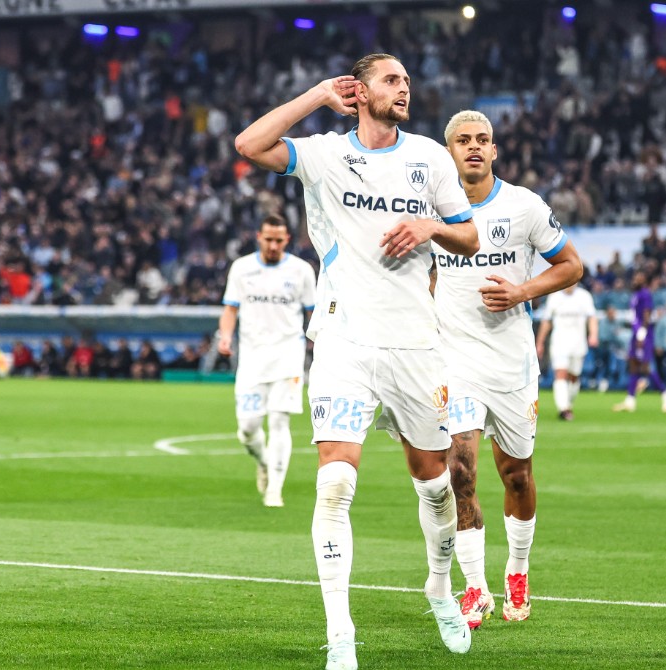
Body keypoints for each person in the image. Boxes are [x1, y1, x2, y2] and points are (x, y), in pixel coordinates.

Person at [234, 53, 480, 669]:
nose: (405, 88)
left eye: (407, 81)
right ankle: (340, 633)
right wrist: (318, 94)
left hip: (415, 343)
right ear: (360, 91)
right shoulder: (324, 154)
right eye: (392, 80)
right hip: (344, 341)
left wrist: (430, 228)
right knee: (336, 483)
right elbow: (248, 144)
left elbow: (469, 235)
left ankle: (439, 589)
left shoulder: (429, 157)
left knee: (436, 484)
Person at [432, 110, 583, 629]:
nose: (474, 147)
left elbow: (572, 265)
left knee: (516, 474)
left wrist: (521, 291)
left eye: (483, 140)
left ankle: (517, 570)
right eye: (463, 140)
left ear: (494, 150)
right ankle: (475, 587)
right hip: (455, 361)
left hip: (512, 363)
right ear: (448, 152)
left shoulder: (524, 206)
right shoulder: (431, 210)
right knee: (459, 471)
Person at [218, 214, 316, 508]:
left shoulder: (301, 271)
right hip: (252, 359)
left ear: (287, 240)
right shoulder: (241, 268)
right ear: (259, 237)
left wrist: (322, 342)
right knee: (248, 429)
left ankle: (275, 489)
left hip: (288, 356)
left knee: (279, 420)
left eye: (279, 240)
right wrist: (225, 337)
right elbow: (230, 309)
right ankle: (263, 461)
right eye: (269, 239)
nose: (273, 246)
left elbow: (313, 312)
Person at [612, 271, 666, 412]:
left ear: (645, 281)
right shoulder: (635, 294)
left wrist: (642, 334)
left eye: (639, 278)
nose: (635, 280)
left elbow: (646, 315)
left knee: (645, 367)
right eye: (634, 277)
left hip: (643, 334)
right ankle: (630, 400)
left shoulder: (645, 294)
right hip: (636, 333)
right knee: (633, 365)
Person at [536, 282, 598, 421]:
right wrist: (540, 342)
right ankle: (563, 409)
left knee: (574, 376)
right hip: (559, 342)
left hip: (578, 343)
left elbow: (592, 317)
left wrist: (593, 335)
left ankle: (568, 404)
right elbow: (547, 321)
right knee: (560, 373)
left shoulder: (584, 296)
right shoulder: (554, 297)